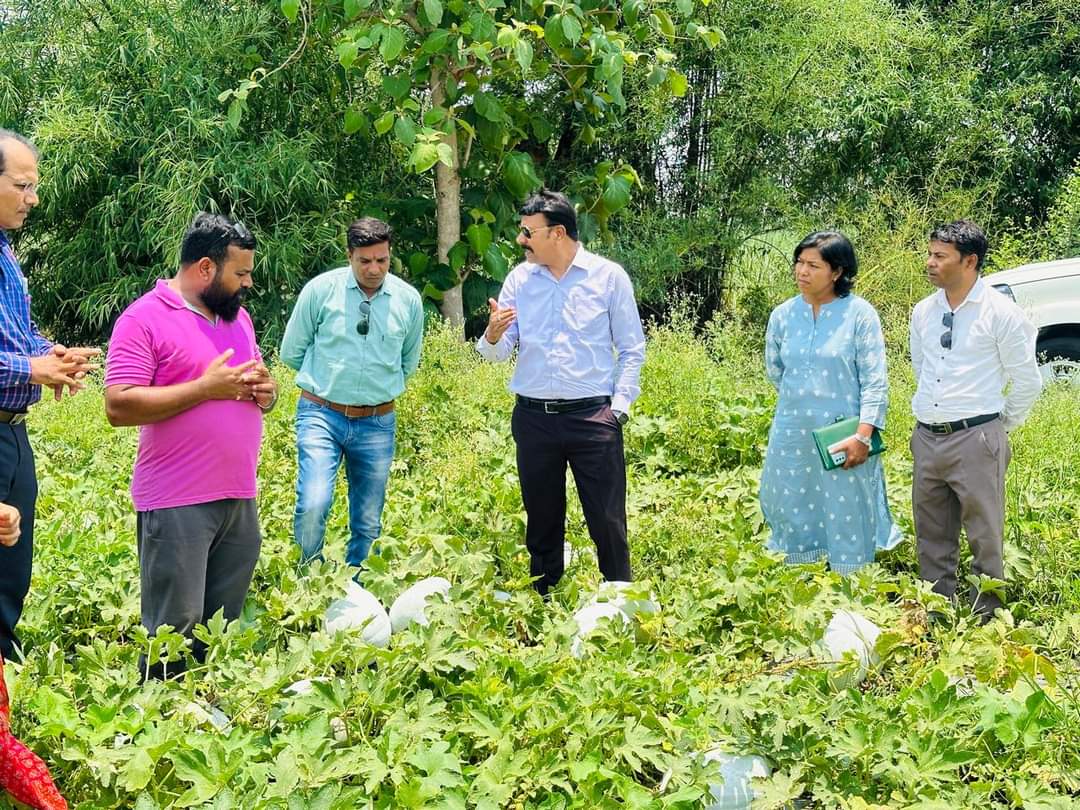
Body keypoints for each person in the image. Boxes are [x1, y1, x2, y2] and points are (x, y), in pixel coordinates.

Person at [104, 212, 276, 679]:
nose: (247, 284)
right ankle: (161, 726)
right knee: (172, 629)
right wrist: (204, 388)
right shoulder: (143, 319)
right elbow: (118, 406)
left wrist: (266, 391)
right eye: (239, 274)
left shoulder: (238, 320)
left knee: (221, 625)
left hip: (238, 498)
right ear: (205, 268)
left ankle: (203, 712)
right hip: (178, 500)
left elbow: (252, 384)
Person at [477, 189, 645, 595]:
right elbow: (497, 354)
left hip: (592, 418)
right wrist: (493, 334)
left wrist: (618, 409)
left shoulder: (607, 277)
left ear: (557, 234)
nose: (521, 241)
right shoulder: (520, 279)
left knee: (606, 517)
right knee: (542, 515)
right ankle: (544, 597)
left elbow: (631, 348)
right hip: (534, 418)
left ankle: (619, 598)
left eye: (527, 232)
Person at [0, 130, 99, 662]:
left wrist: (49, 353)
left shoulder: (4, 252)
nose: (33, 198)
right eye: (23, 185)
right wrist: (30, 367)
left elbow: (16, 333)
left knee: (13, 564)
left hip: (12, 432)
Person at [910, 220, 1041, 622]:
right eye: (930, 254)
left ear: (969, 262)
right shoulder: (923, 311)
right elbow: (921, 366)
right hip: (928, 437)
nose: (930, 263)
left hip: (976, 437)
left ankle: (987, 615)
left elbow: (1027, 380)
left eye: (939, 256)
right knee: (931, 531)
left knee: (984, 533)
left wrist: (999, 427)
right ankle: (936, 610)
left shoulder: (1001, 313)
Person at [280, 217, 423, 570]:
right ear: (349, 255)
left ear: (390, 255)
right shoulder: (320, 291)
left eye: (382, 260)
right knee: (313, 502)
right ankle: (308, 585)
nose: (374, 269)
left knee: (368, 520)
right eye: (365, 261)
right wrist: (329, 383)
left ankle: (360, 593)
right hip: (321, 414)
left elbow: (408, 362)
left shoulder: (408, 300)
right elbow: (291, 352)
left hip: (377, 421)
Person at [760, 231, 901, 574]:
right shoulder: (783, 315)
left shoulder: (859, 315)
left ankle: (850, 582)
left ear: (837, 271)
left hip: (844, 434)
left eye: (812, 265)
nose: (801, 272)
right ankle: (800, 578)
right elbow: (775, 369)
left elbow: (874, 381)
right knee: (791, 500)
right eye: (799, 263)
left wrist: (863, 435)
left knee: (847, 506)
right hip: (792, 431)